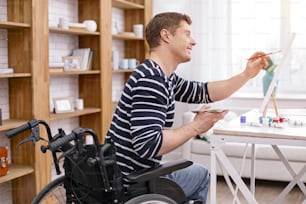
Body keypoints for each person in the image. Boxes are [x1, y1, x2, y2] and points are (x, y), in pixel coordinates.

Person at [106, 12, 269, 203]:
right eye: (187, 34)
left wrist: (246, 74)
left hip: (128, 176)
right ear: (166, 36)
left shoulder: (162, 76)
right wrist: (196, 127)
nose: (193, 41)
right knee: (201, 174)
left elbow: (204, 91)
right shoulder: (152, 80)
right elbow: (149, 146)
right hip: (133, 184)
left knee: (196, 171)